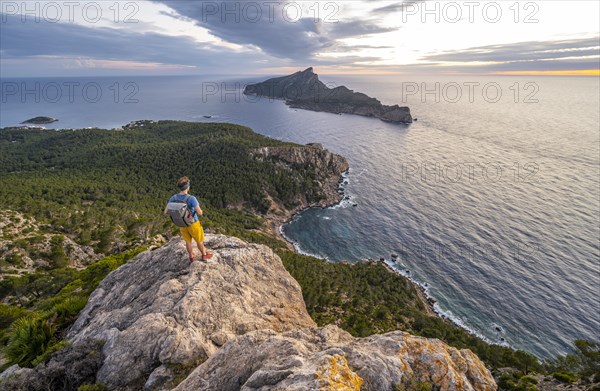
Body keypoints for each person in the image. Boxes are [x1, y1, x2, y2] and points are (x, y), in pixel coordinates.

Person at [164, 176, 213, 262]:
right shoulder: (191, 198)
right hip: (193, 223)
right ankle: (204, 255)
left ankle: (191, 256)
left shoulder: (173, 198)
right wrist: (200, 211)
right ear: (188, 187)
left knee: (188, 241)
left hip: (181, 223)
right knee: (199, 240)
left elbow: (166, 212)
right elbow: (199, 212)